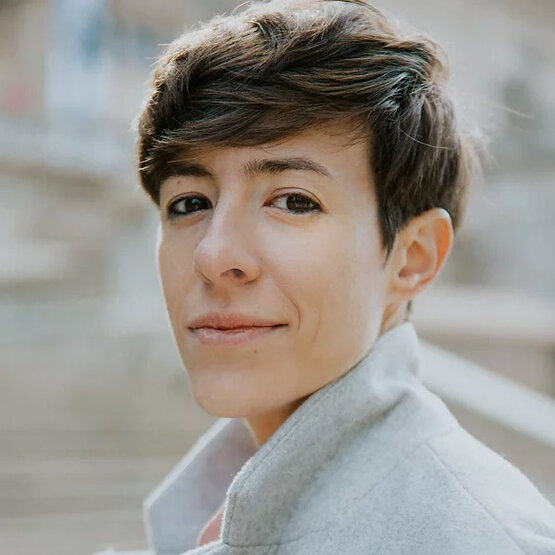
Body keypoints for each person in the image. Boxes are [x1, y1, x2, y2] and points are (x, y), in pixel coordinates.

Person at [97, 0, 555, 553]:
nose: (213, 255)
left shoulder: (476, 538)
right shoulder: (206, 510)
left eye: (294, 201)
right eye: (189, 203)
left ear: (412, 257)